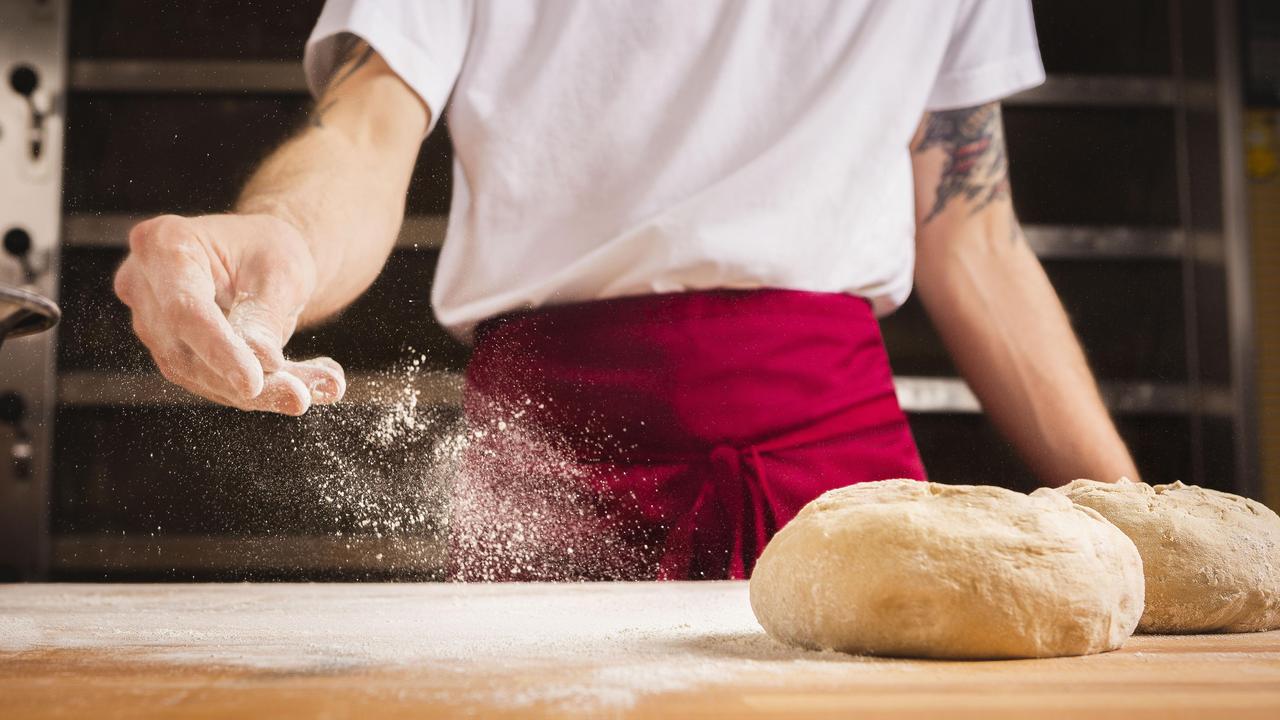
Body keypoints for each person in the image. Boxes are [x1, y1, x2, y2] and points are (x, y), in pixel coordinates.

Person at [115, 0, 1141, 580]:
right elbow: (366, 133)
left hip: (847, 482)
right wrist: (281, 234)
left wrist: (1138, 521)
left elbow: (974, 238)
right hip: (556, 475)